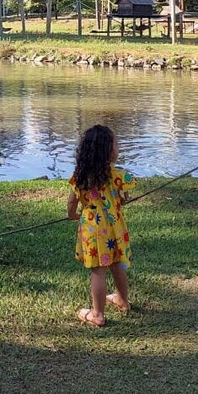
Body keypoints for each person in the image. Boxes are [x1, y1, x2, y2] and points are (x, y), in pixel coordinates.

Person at [66, 124, 137, 327]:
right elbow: (124, 198)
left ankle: (97, 314)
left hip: (94, 229)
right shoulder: (118, 175)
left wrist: (72, 215)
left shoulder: (80, 177)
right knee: (116, 263)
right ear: (108, 150)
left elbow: (72, 202)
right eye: (116, 143)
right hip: (115, 228)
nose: (118, 145)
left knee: (98, 269)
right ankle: (123, 300)